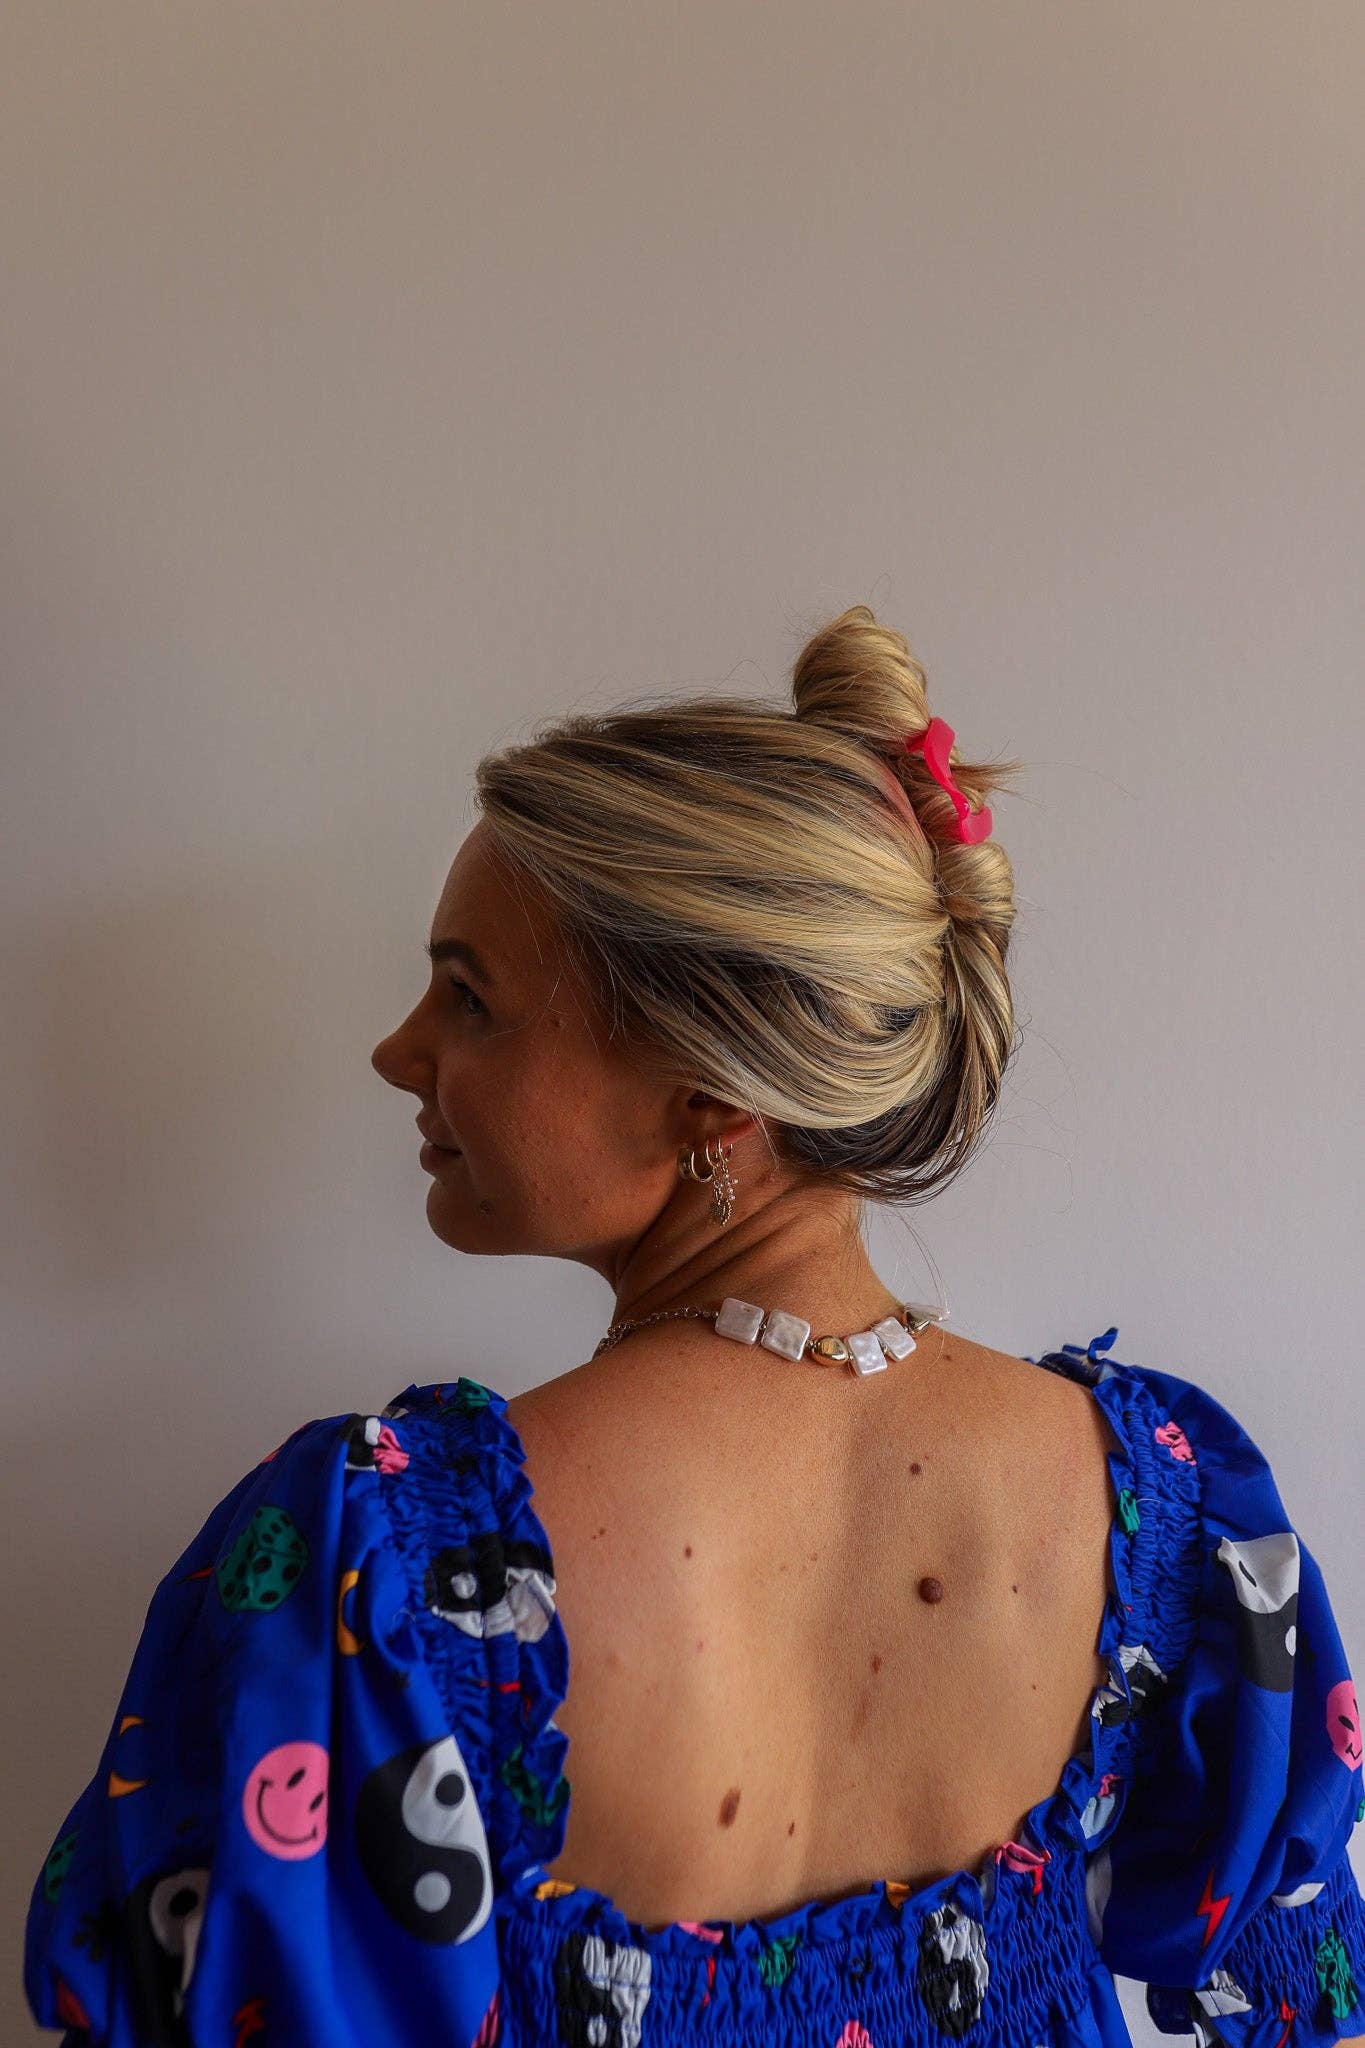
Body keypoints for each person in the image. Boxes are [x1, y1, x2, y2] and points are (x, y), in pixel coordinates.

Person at [25, 605, 1364, 2047]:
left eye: (470, 999)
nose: (398, 1050)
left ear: (711, 1092)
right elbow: (1303, 1990)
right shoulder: (1161, 1503)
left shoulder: (384, 1563)